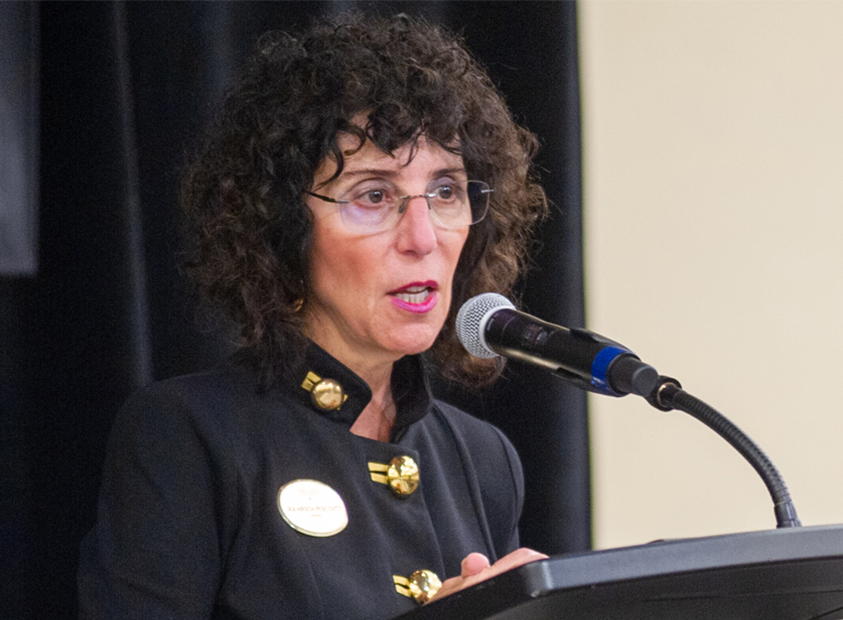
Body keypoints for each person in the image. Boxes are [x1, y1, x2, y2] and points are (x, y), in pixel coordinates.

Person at [78, 14, 549, 619]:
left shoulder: (484, 459)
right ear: (283, 229)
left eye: (447, 190)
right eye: (374, 195)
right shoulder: (189, 438)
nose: (422, 236)